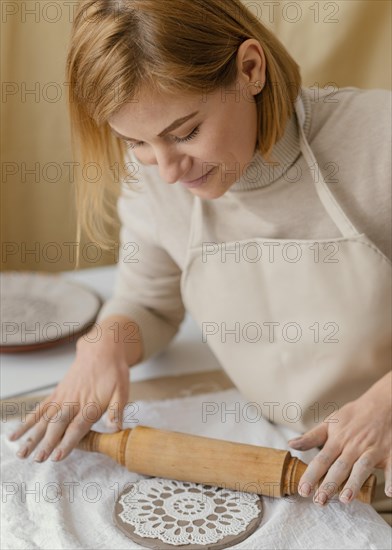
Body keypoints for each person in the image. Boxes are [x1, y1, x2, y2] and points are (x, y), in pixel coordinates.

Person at [9, 0, 391, 522]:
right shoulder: (156, 175)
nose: (166, 169)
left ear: (250, 70)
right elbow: (150, 301)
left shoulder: (377, 142)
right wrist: (105, 344)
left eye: (185, 132)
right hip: (302, 465)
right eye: (135, 142)